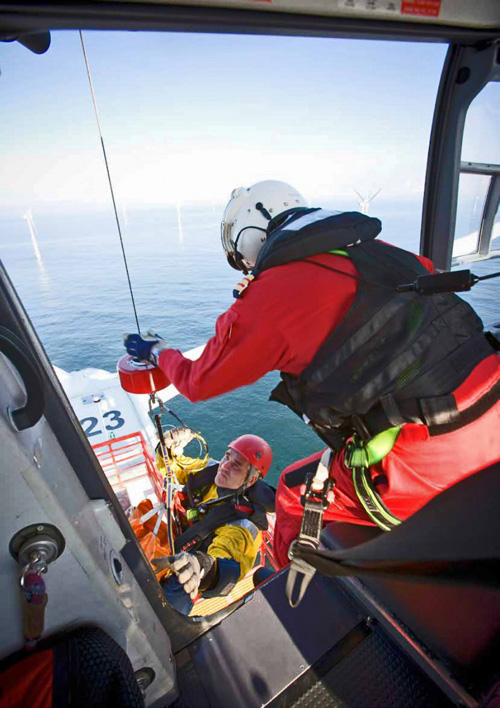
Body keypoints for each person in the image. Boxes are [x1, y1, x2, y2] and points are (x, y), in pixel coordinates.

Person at [124, 180, 500, 568]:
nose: (249, 269)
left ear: (249, 238)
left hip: (429, 457)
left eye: (244, 259)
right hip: (491, 409)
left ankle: (284, 599)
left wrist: (158, 351)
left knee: (290, 493)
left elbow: (197, 380)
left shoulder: (270, 296)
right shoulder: (386, 253)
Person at [152, 430, 275, 615]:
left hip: (189, 566)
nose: (225, 466)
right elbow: (176, 469)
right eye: (227, 457)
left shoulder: (244, 525)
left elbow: (228, 563)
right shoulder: (210, 470)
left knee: (166, 606)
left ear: (251, 480)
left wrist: (202, 566)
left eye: (236, 465)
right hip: (177, 536)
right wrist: (165, 448)